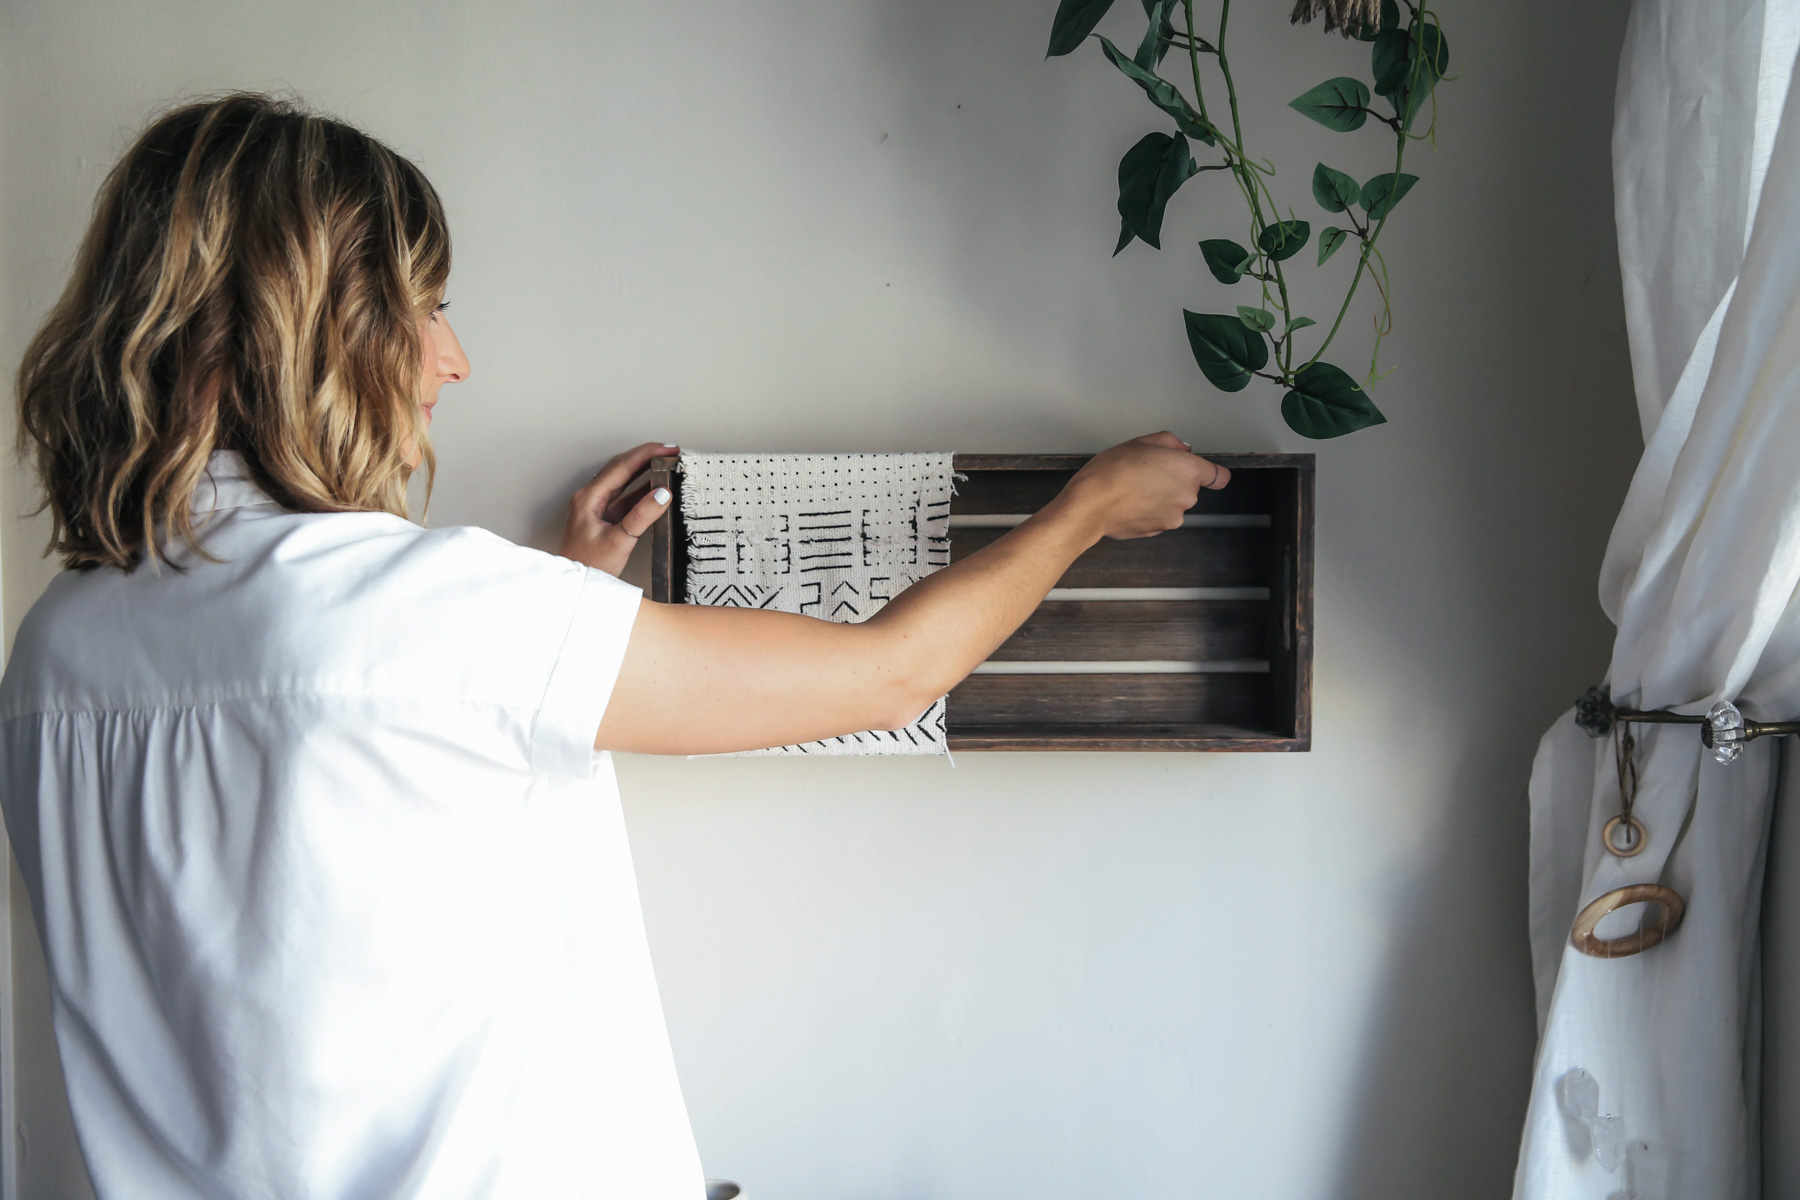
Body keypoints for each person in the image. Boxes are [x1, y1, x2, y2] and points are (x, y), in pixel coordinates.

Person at [0, 93, 1227, 1200]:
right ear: (306, 325)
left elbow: (323, 886)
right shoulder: (433, 613)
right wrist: (1089, 510)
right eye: (421, 306)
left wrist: (571, 595)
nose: (453, 358)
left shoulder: (53, 649)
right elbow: (891, 673)